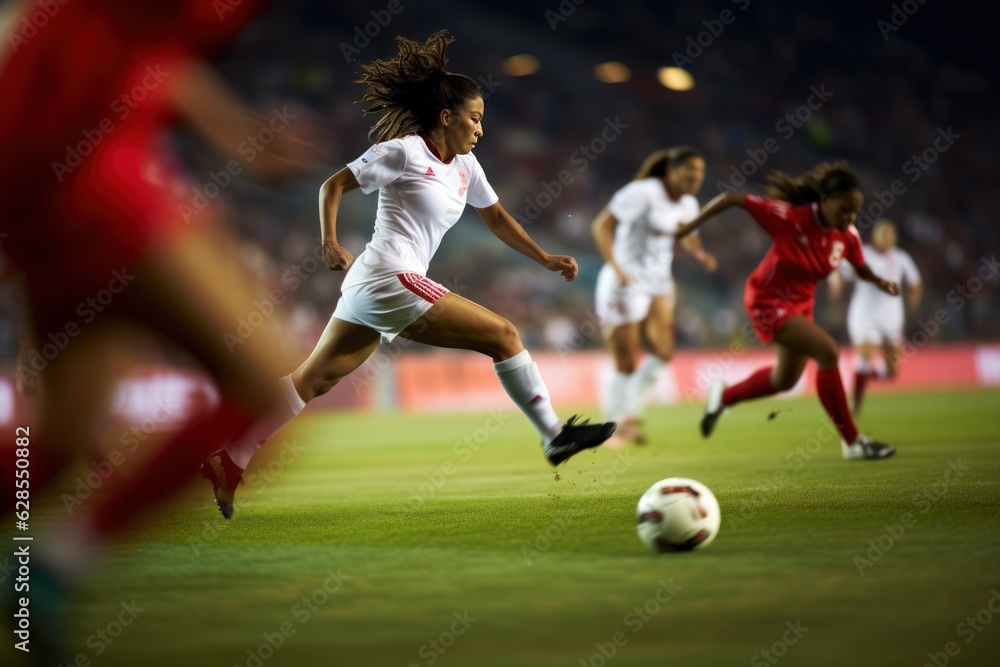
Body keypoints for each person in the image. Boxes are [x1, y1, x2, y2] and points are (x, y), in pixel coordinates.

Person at [0, 1, 320, 661]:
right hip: (97, 186)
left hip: (46, 197)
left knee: (57, 446)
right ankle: (57, 562)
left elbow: (143, 51)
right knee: (273, 387)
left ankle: (55, 563)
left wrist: (237, 136)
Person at [201, 30, 616, 518]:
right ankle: (553, 436)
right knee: (505, 334)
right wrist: (330, 243)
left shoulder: (466, 165)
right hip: (387, 275)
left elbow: (497, 218)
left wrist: (545, 258)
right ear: (447, 117)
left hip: (374, 286)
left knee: (310, 381)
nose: (481, 129)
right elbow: (332, 186)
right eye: (475, 118)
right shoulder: (403, 152)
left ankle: (229, 457)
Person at [675, 162, 900, 460]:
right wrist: (689, 228)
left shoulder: (847, 236)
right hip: (768, 299)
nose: (849, 217)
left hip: (801, 303)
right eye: (844, 209)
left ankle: (723, 397)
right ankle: (853, 442)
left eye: (854, 211)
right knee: (827, 352)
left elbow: (860, 267)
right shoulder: (789, 217)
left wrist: (881, 281)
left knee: (784, 380)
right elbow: (733, 199)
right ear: (824, 200)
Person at [591, 147, 716, 444]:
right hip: (625, 280)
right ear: (671, 173)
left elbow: (687, 233)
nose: (695, 178)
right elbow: (601, 226)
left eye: (699, 173)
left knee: (663, 351)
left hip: (659, 282)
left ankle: (630, 414)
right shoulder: (642, 192)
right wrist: (616, 266)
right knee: (626, 357)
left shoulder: (688, 203)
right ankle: (612, 425)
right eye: (690, 171)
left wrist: (700, 253)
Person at [828, 218, 922, 415]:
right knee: (864, 355)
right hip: (864, 313)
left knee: (892, 372)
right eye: (883, 235)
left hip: (892, 315)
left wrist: (914, 297)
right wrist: (835, 284)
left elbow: (915, 281)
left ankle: (863, 377)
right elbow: (840, 269)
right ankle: (855, 405)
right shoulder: (863, 255)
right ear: (876, 236)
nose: (887, 239)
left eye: (890, 235)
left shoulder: (901, 257)